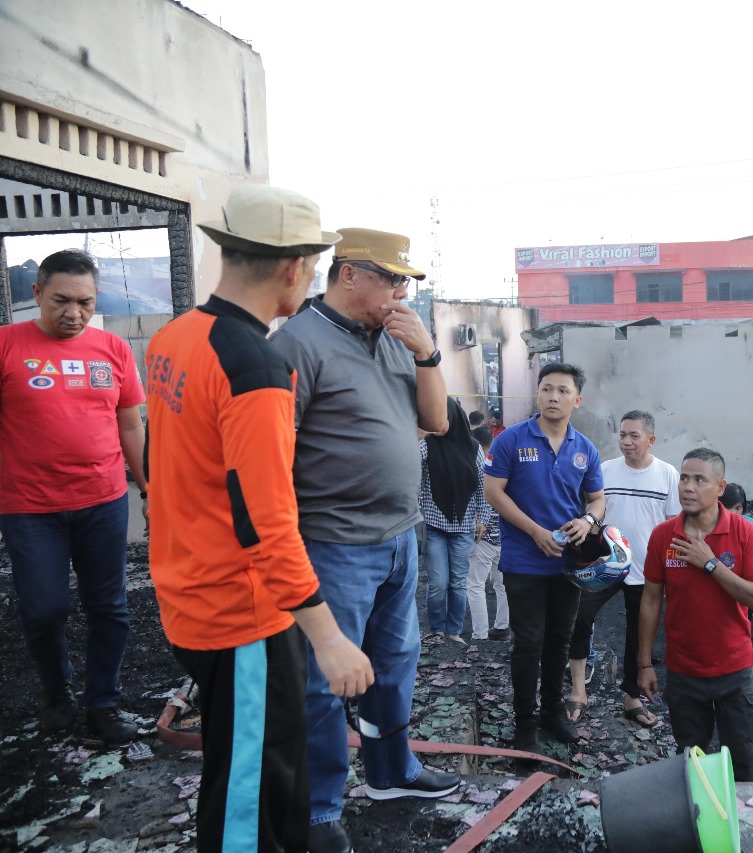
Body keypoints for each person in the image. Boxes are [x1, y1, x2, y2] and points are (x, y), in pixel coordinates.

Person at [145, 185, 373, 852]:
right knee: (247, 798)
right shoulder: (256, 366)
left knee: (266, 774)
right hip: (240, 616)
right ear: (293, 267)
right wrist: (328, 638)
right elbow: (266, 519)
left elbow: (166, 467)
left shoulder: (174, 337)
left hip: (188, 595)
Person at [270, 228, 460, 853]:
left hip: (400, 534)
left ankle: (389, 771)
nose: (401, 290)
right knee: (324, 681)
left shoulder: (397, 340)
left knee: (395, 664)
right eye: (391, 278)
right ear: (348, 274)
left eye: (406, 280)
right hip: (333, 543)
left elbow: (434, 422)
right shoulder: (298, 343)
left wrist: (429, 354)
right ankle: (320, 806)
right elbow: (274, 455)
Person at [0, 249, 146, 743]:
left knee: (109, 606)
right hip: (28, 507)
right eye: (61, 300)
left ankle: (103, 704)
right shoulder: (6, 345)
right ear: (37, 293)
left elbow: (129, 422)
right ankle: (56, 694)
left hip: (103, 500)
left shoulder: (113, 349)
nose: (74, 312)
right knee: (43, 608)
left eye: (85, 302)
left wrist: (147, 484)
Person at [483, 363, 605, 752]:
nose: (554, 397)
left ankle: (552, 712)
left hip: (568, 565)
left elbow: (598, 500)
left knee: (559, 639)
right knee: (528, 641)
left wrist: (588, 520)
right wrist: (534, 531)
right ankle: (525, 724)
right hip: (523, 561)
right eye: (547, 389)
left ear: (577, 400)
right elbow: (493, 493)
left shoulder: (585, 448)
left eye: (563, 391)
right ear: (537, 394)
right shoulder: (511, 440)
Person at [637, 448, 753, 782]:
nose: (688, 487)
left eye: (699, 479)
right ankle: (696, 829)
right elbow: (651, 601)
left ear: (720, 487)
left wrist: (710, 564)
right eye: (684, 478)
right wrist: (643, 664)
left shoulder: (743, 532)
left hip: (735, 672)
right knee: (691, 765)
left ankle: (738, 829)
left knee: (741, 765)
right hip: (684, 673)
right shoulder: (663, 536)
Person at [566, 410, 678, 728]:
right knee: (579, 617)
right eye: (623, 435)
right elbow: (593, 509)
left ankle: (632, 697)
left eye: (634, 436)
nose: (626, 442)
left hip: (646, 570)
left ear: (651, 440)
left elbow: (672, 526)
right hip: (605, 566)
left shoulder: (667, 474)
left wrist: (670, 570)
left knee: (638, 635)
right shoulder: (605, 470)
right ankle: (577, 690)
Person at [419, 397, 485, 643]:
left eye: (441, 415)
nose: (437, 421)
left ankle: (453, 631)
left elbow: (482, 485)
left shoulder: (473, 447)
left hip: (464, 527)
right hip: (434, 525)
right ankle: (436, 628)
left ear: (454, 416)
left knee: (458, 583)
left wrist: (483, 517)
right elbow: (413, 469)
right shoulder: (427, 445)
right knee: (438, 582)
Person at [466, 427, 509, 641]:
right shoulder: (504, 466)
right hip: (505, 537)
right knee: (502, 585)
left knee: (475, 586)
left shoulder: (478, 467)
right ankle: (501, 628)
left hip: (483, 538)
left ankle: (480, 634)